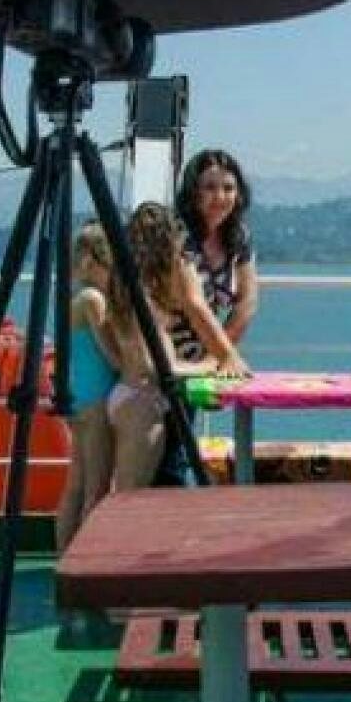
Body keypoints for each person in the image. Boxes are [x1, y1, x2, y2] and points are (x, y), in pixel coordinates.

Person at [107, 202, 240, 490]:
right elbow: (153, 366)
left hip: (131, 395)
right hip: (142, 402)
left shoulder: (128, 289)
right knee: (131, 500)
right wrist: (208, 365)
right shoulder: (144, 302)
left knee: (133, 494)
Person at [54, 223, 120, 552]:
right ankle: (87, 559)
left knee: (76, 483)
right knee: (97, 486)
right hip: (96, 399)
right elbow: (111, 354)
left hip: (78, 396)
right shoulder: (94, 299)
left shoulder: (74, 297)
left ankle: (64, 554)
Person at [171, 149, 260, 356]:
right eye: (210, 188)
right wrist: (226, 357)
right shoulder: (176, 235)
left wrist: (217, 358)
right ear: (194, 193)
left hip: (207, 356)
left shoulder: (239, 237)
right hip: (163, 356)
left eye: (228, 188)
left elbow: (247, 300)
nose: (220, 197)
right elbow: (194, 303)